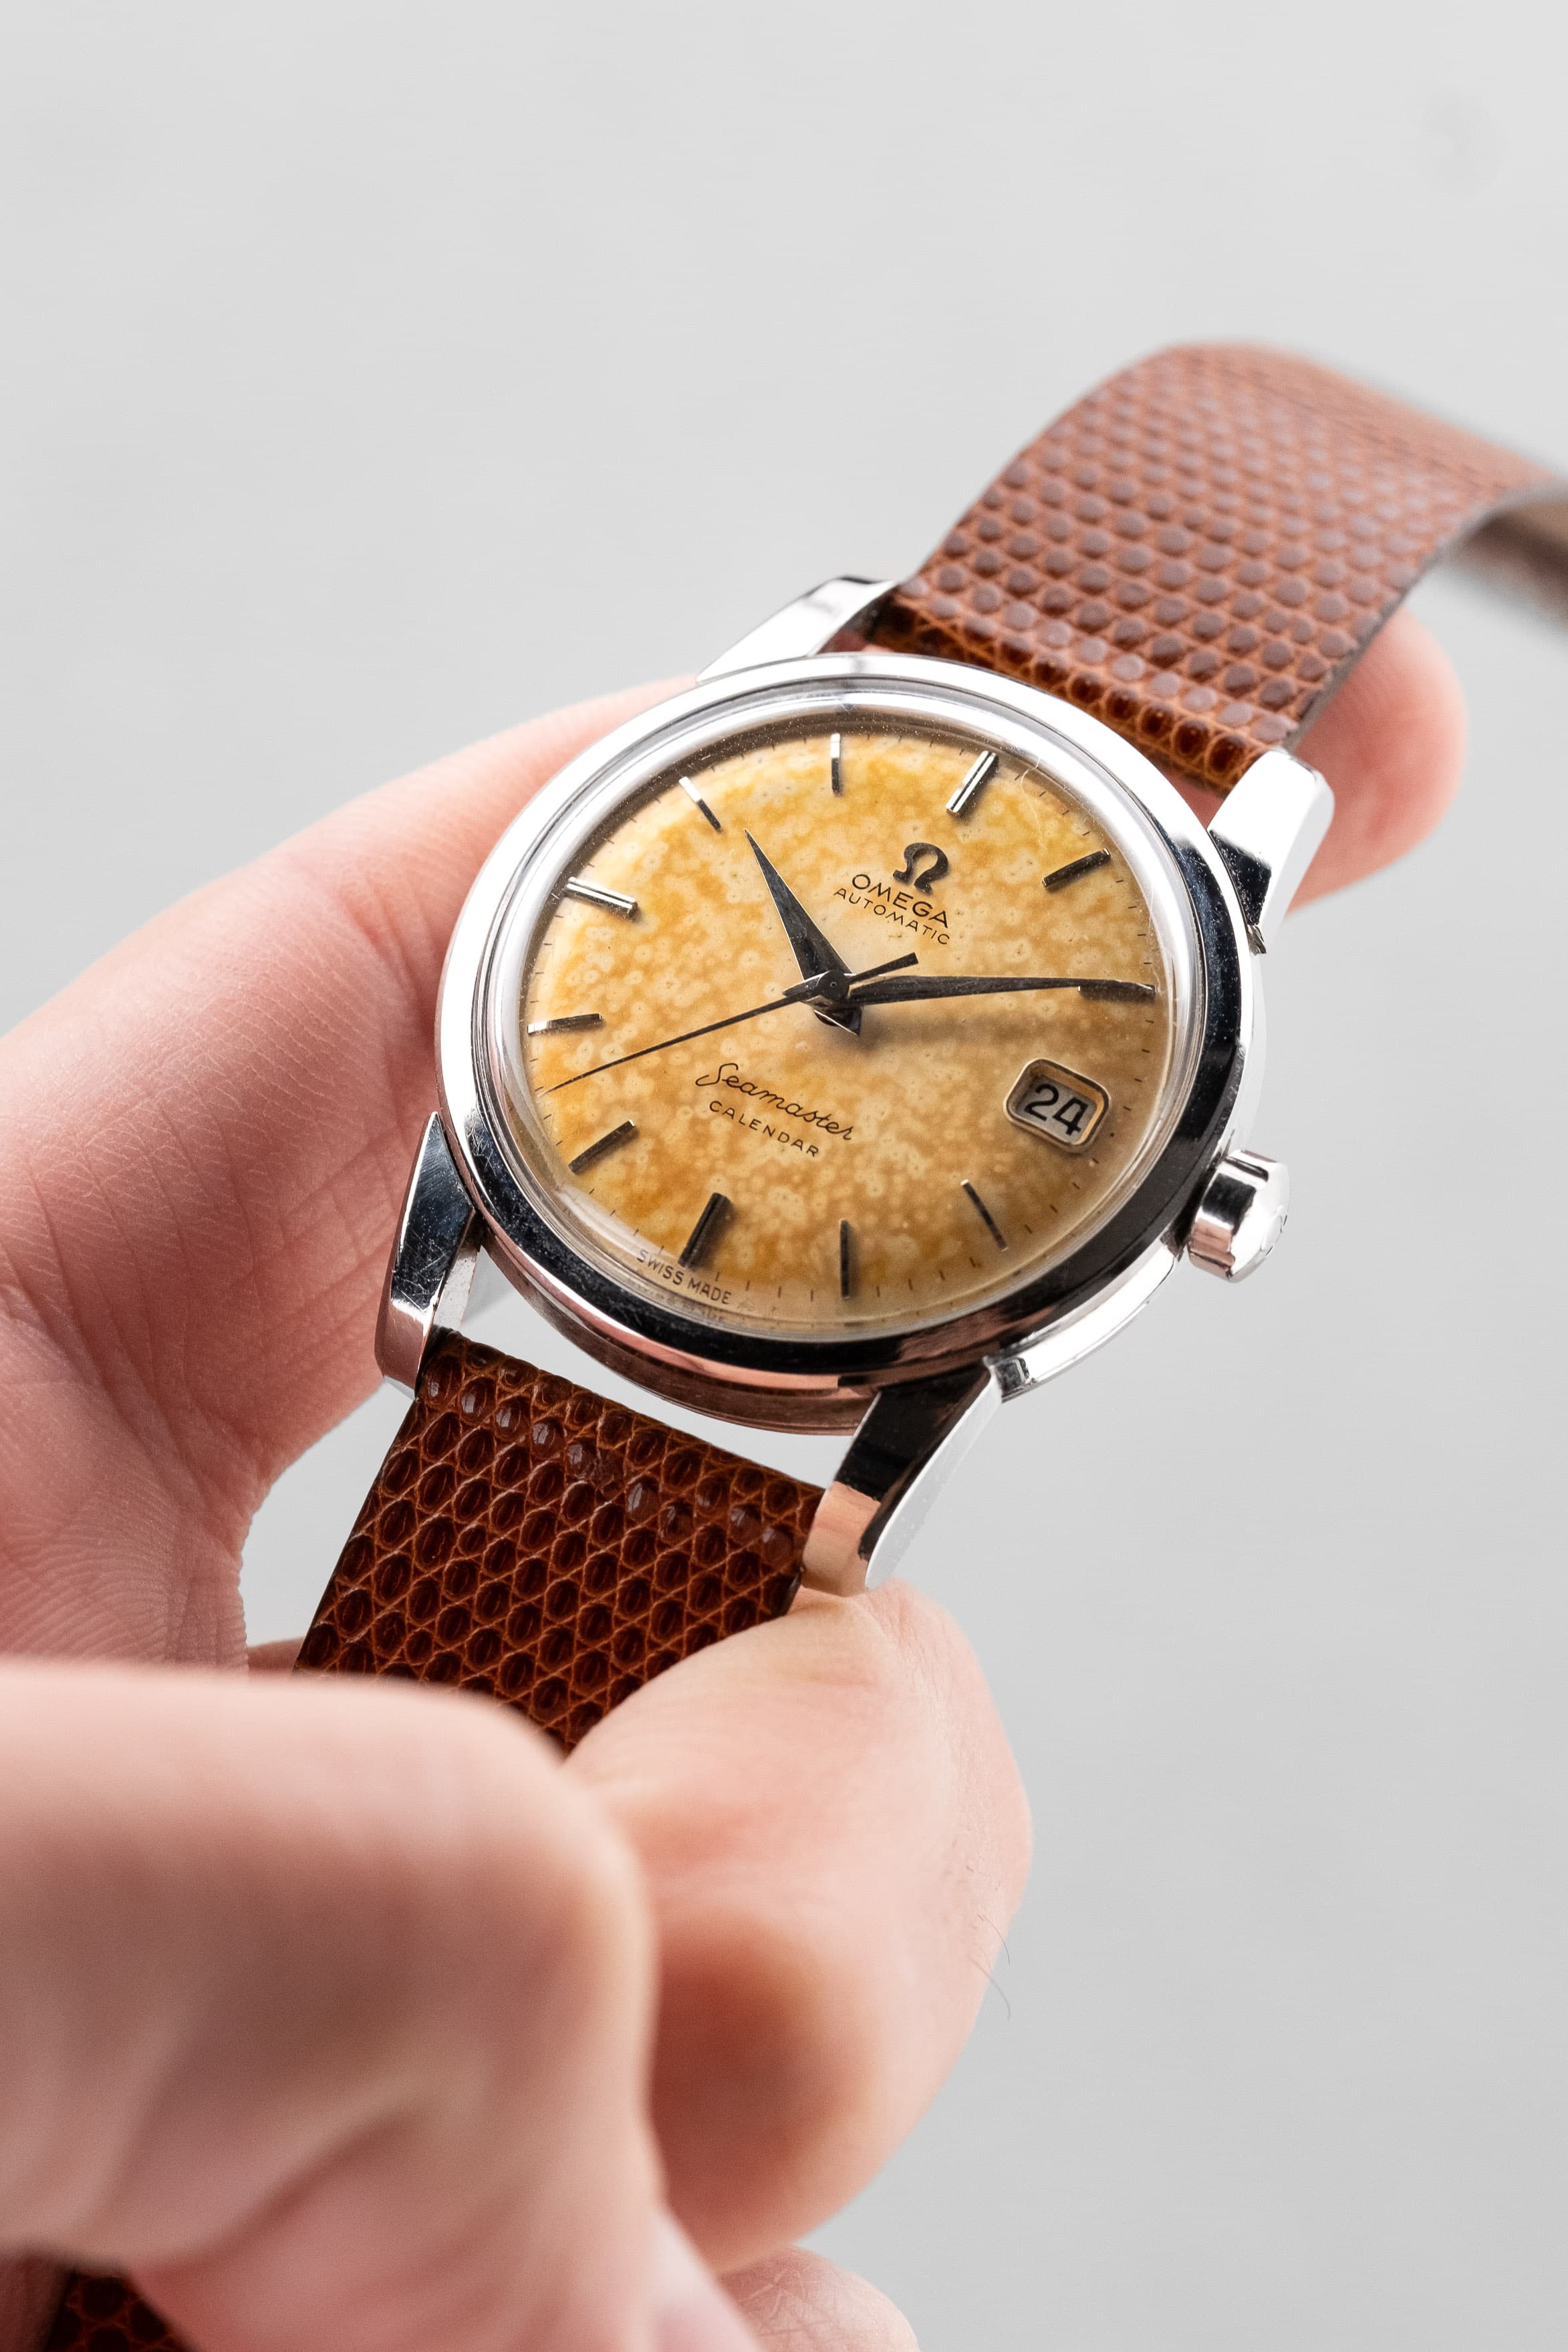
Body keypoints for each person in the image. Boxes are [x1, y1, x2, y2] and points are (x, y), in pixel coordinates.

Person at [0, 614, 1464, 2352]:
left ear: (1200, 1202)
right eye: (823, 979)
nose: (836, 1006)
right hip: (546, 1243)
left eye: (859, 1006)